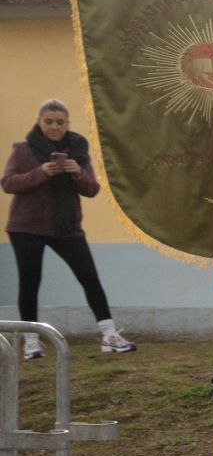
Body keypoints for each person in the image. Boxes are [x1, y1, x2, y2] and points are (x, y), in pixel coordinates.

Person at [3, 99, 135, 357]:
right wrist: (42, 172)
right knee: (30, 282)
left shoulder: (78, 150)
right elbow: (8, 183)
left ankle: (109, 336)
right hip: (26, 226)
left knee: (89, 278)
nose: (54, 127)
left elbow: (92, 189)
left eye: (60, 122)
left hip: (66, 227)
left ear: (67, 124)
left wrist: (78, 172)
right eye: (48, 122)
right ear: (39, 122)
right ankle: (31, 342)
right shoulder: (23, 150)